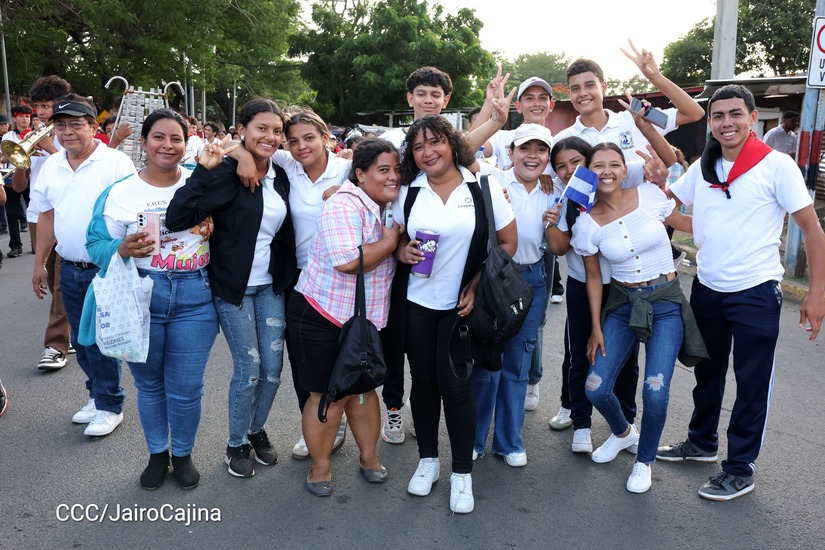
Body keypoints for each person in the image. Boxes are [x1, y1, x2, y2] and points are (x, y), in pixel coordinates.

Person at [657, 85, 825, 501]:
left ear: (752, 118)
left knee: (751, 383)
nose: (726, 123)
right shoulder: (705, 164)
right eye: (718, 116)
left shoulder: (776, 165)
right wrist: (658, 189)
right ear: (710, 123)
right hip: (708, 287)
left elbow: (811, 229)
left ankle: (740, 468)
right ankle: (702, 442)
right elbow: (679, 215)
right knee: (706, 373)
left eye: (735, 114)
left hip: (755, 291)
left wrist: (816, 292)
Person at [83, 109, 219, 490]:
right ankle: (158, 454)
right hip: (140, 295)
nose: (167, 145)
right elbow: (94, 246)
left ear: (187, 143)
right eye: (158, 137)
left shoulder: (202, 181)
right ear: (143, 143)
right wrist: (122, 248)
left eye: (176, 138)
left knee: (187, 388)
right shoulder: (119, 193)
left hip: (196, 296)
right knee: (150, 386)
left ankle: (184, 454)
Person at [167, 99, 297, 479]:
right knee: (250, 368)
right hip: (233, 289)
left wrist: (243, 153)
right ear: (242, 130)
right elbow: (177, 218)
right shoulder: (225, 172)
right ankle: (236, 442)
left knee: (273, 369)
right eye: (261, 129)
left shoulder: (280, 175)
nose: (270, 137)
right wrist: (207, 169)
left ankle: (256, 430)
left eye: (277, 131)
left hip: (271, 286)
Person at [393, 115, 516, 513]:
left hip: (461, 307)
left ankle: (462, 473)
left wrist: (477, 283)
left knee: (458, 388)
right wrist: (402, 252)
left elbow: (508, 243)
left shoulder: (482, 185)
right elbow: (395, 239)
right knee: (424, 384)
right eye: (418, 147)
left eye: (435, 142)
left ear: (452, 144)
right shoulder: (408, 191)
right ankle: (428, 460)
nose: (428, 152)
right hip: (416, 304)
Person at [545, 99, 677, 455]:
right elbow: (559, 248)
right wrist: (554, 221)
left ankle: (626, 423)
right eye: (561, 166)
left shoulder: (617, 174)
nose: (569, 171)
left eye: (576, 163)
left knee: (626, 360)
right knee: (581, 353)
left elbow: (664, 166)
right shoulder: (567, 196)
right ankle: (581, 422)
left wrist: (659, 169)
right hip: (583, 283)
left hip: (621, 287)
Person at [570, 141, 699, 494]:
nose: (607, 171)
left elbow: (686, 223)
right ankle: (624, 432)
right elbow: (593, 277)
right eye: (598, 166)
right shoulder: (586, 223)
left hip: (666, 301)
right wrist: (595, 328)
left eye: (614, 164)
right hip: (623, 303)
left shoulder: (650, 195)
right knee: (595, 387)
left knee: (655, 391)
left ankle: (644, 461)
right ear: (589, 173)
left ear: (625, 170)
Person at [287, 138, 404, 496]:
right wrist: (391, 243)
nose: (392, 176)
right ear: (360, 174)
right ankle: (320, 466)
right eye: (383, 170)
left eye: (397, 169)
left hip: (366, 318)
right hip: (322, 313)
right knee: (327, 395)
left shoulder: (393, 204)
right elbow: (347, 261)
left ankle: (369, 457)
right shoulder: (343, 204)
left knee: (364, 390)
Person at [234, 107, 353, 459]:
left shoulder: (347, 169)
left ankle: (339, 419)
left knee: (345, 355)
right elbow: (234, 147)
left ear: (326, 138)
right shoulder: (287, 164)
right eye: (294, 140)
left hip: (342, 275)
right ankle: (315, 423)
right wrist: (243, 155)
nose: (302, 147)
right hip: (300, 279)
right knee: (304, 360)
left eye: (310, 138)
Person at [32, 95, 136, 437]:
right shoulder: (52, 165)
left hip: (106, 267)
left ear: (93, 127)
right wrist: (40, 264)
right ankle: (97, 394)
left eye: (76, 124)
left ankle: (110, 404)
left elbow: (134, 214)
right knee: (82, 339)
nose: (67, 132)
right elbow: (47, 217)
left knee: (103, 340)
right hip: (69, 268)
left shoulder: (116, 162)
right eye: (61, 125)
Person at [471, 124, 553, 467]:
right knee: (487, 362)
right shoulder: (493, 179)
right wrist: (493, 117)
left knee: (518, 362)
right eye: (525, 148)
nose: (532, 156)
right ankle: (474, 439)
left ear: (548, 157)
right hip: (493, 277)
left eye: (541, 150)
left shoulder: (554, 188)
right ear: (512, 152)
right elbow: (465, 152)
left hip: (532, 278)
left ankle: (509, 442)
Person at [554, 40, 705, 163]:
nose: (583, 93)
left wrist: (655, 77)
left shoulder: (637, 117)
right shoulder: (563, 140)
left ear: (604, 87)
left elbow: (694, 113)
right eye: (575, 89)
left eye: (590, 85)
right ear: (569, 94)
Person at [14, 75, 73, 371]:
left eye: (47, 106)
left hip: (65, 214)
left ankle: (55, 345)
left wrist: (51, 148)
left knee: (62, 281)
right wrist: (22, 160)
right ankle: (72, 328)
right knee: (52, 279)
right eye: (38, 106)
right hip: (38, 216)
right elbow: (19, 186)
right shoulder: (31, 138)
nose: (41, 112)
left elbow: (75, 171)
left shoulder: (69, 136)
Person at [3, 104, 34, 259]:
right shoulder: (8, 136)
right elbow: (2, 157)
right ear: (15, 119)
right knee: (11, 212)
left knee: (35, 211)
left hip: (32, 177)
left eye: (27, 117)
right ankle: (15, 246)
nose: (25, 120)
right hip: (12, 178)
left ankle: (36, 242)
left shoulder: (35, 135)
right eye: (21, 116)